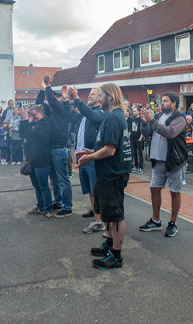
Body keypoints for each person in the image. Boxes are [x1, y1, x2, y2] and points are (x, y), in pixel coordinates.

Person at [77, 83, 131, 269]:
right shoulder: (112, 116)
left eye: (100, 95)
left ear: (110, 96)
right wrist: (93, 151)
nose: (98, 98)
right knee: (107, 213)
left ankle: (116, 256)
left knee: (115, 216)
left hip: (112, 173)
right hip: (107, 172)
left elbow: (110, 150)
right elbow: (108, 147)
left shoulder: (113, 118)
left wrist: (89, 157)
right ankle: (109, 245)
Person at [138, 92, 188, 238]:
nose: (162, 103)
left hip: (174, 161)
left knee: (175, 192)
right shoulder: (159, 116)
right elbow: (148, 132)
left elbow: (170, 133)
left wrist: (152, 121)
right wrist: (144, 122)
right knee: (154, 189)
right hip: (158, 159)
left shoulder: (179, 118)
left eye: (166, 101)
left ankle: (173, 222)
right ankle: (155, 220)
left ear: (174, 103)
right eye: (162, 100)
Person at [64, 86, 107, 232]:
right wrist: (65, 100)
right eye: (88, 94)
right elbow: (68, 117)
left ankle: (99, 221)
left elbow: (92, 115)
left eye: (93, 94)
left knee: (96, 190)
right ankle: (96, 214)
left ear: (100, 98)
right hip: (83, 157)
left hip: (93, 158)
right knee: (90, 189)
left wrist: (76, 99)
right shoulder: (84, 113)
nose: (89, 96)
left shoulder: (101, 112)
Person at [36, 75, 73, 217]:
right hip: (51, 149)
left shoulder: (62, 110)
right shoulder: (51, 113)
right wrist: (42, 90)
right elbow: (39, 104)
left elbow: (51, 100)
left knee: (63, 179)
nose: (54, 99)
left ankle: (67, 206)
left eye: (58, 97)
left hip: (59, 149)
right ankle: (58, 201)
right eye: (55, 96)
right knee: (54, 179)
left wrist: (48, 87)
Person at [19, 105, 53, 220]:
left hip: (42, 159)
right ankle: (40, 206)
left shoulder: (45, 125)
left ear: (41, 112)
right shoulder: (34, 124)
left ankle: (48, 210)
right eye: (31, 115)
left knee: (43, 186)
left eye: (34, 115)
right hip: (32, 159)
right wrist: (24, 122)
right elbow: (23, 134)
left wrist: (25, 120)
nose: (32, 117)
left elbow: (30, 134)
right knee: (36, 186)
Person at [128, 107, 144, 173]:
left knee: (139, 153)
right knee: (134, 153)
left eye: (135, 111)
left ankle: (141, 167)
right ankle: (136, 166)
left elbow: (143, 129)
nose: (133, 112)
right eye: (133, 111)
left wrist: (141, 137)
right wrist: (129, 137)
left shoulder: (140, 119)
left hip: (139, 138)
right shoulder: (132, 119)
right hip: (133, 138)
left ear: (138, 112)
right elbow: (130, 129)